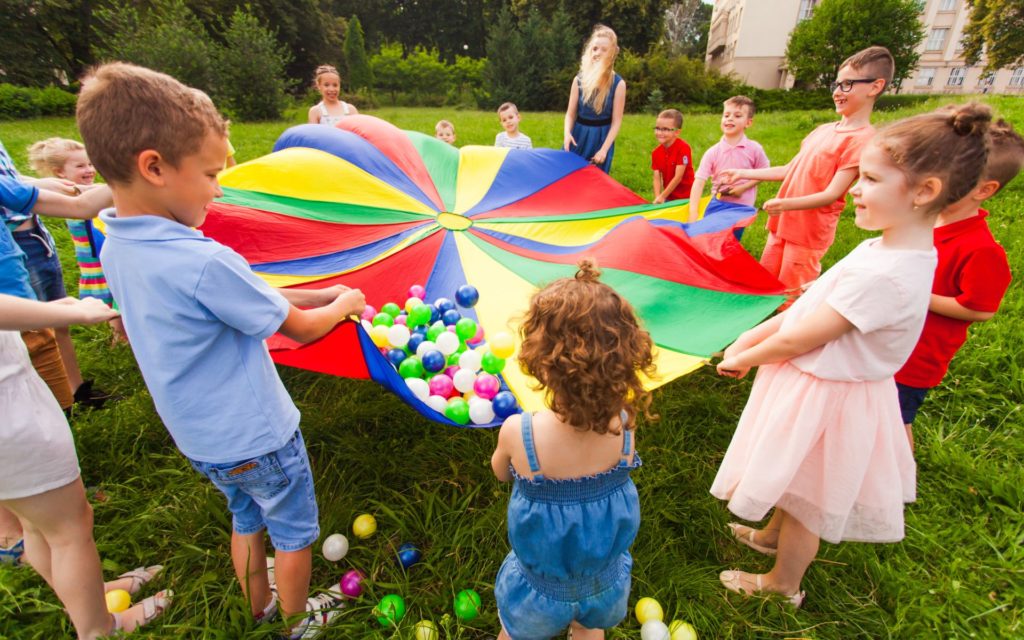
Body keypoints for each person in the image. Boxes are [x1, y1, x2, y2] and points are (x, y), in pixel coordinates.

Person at [77, 62, 367, 639]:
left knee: (245, 519)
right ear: (154, 167)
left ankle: (257, 606)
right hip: (260, 435)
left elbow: (244, 296)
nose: (218, 187)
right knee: (293, 533)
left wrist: (318, 289)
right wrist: (344, 302)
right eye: (211, 174)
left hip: (201, 439)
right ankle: (295, 622)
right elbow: (304, 329)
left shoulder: (116, 243)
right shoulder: (205, 260)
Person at [710, 103, 993, 606]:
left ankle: (782, 583)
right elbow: (813, 303)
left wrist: (747, 354)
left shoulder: (888, 272)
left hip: (830, 399)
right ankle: (773, 534)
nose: (855, 190)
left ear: (924, 191)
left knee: (808, 501)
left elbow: (806, 336)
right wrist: (754, 339)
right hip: (822, 385)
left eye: (870, 180)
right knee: (794, 480)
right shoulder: (889, 249)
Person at [0, 179, 169, 639]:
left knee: (38, 524)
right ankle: (100, 626)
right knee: (68, 527)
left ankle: (87, 594)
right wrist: (71, 315)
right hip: (8, 407)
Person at [490, 259, 655, 640]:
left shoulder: (521, 432)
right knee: (588, 630)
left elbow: (500, 472)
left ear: (542, 364)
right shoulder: (624, 425)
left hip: (539, 590)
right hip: (604, 583)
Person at [718, 46, 893, 306]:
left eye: (847, 85)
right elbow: (790, 169)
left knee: (792, 295)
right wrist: (742, 172)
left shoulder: (862, 140)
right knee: (765, 287)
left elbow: (832, 194)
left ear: (874, 87)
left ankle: (786, 341)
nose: (836, 91)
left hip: (807, 234)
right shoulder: (822, 130)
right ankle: (758, 336)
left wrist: (783, 204)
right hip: (782, 226)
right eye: (837, 84)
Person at [894, 117, 1022, 451]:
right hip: (889, 342)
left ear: (984, 189)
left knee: (895, 420)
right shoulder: (924, 222)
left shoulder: (981, 250)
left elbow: (979, 310)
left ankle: (900, 481)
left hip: (916, 359)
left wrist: (920, 295)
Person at [1, 140, 115, 409]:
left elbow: (80, 204)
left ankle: (68, 398)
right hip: (13, 297)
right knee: (29, 349)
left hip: (31, 251)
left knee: (44, 341)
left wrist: (36, 185)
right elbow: (80, 207)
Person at [28, 138, 126, 343]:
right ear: (60, 173)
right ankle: (119, 334)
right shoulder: (71, 194)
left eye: (90, 164)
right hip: (95, 259)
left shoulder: (80, 191)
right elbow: (90, 199)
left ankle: (119, 334)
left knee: (115, 297)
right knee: (113, 298)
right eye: (81, 166)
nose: (89, 169)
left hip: (101, 255)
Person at [688, 95, 770, 226]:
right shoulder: (712, 152)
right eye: (726, 115)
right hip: (717, 205)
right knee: (714, 239)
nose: (730, 118)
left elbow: (765, 172)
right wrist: (693, 212)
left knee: (733, 241)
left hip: (743, 207)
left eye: (737, 116)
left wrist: (743, 188)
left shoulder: (754, 149)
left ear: (748, 122)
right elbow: (699, 182)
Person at [563, 25, 626, 173]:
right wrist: (567, 134)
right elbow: (571, 113)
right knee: (569, 177)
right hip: (578, 135)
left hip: (601, 138)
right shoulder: (578, 80)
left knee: (595, 182)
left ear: (612, 54)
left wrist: (604, 149)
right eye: (595, 48)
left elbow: (617, 121)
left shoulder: (618, 84)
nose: (597, 53)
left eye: (604, 50)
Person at [650, 108, 694, 204]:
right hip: (669, 197)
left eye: (665, 129)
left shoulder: (683, 148)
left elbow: (678, 177)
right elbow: (656, 178)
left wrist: (662, 196)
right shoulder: (656, 153)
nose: (660, 133)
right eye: (657, 128)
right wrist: (658, 197)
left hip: (687, 197)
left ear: (677, 132)